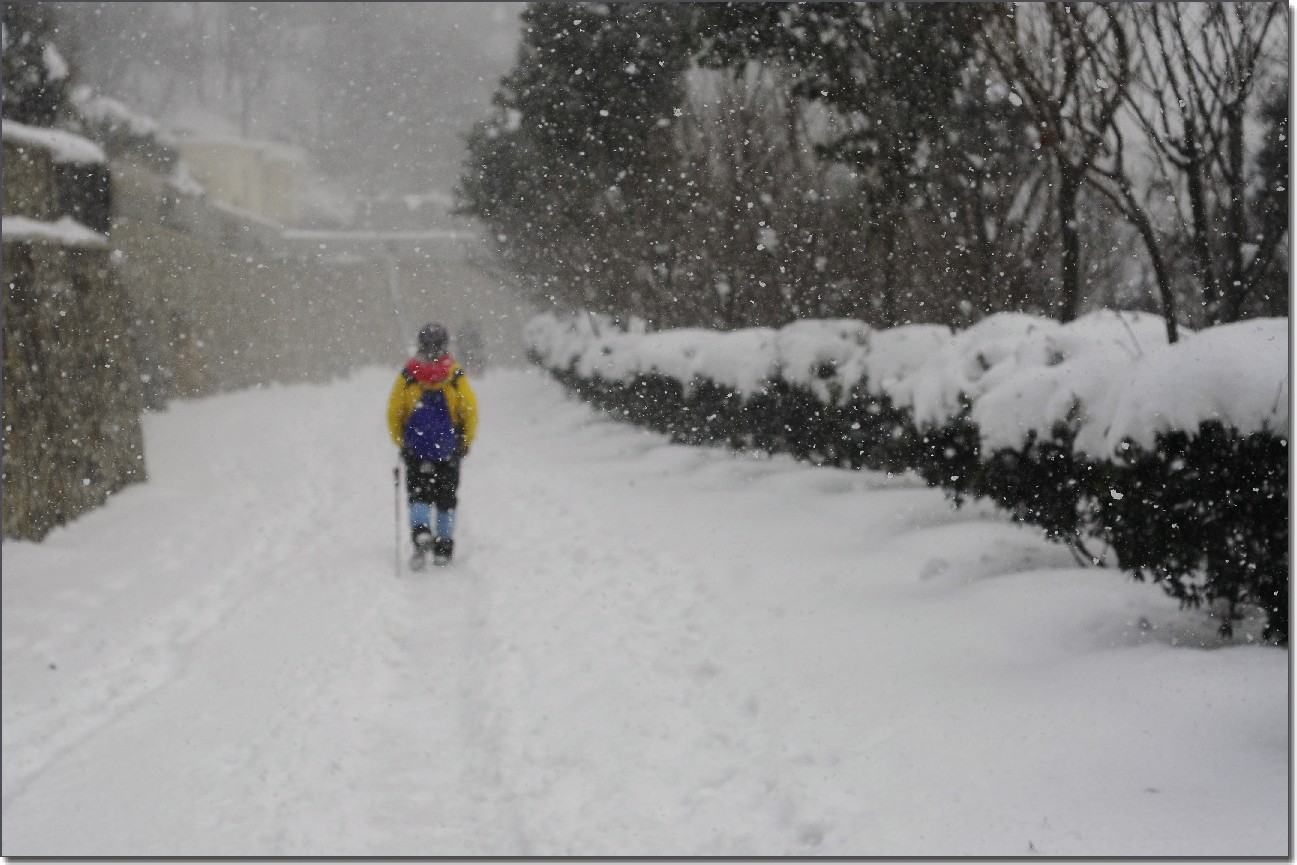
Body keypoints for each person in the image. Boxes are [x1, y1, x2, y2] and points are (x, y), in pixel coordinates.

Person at [387, 322, 478, 568]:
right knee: (446, 497)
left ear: (420, 344)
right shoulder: (455, 375)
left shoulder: (408, 376)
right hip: (449, 448)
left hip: (417, 448)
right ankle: (444, 547)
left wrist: (402, 440)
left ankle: (420, 531)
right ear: (445, 345)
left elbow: (394, 411)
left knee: (419, 494)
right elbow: (469, 409)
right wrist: (466, 440)